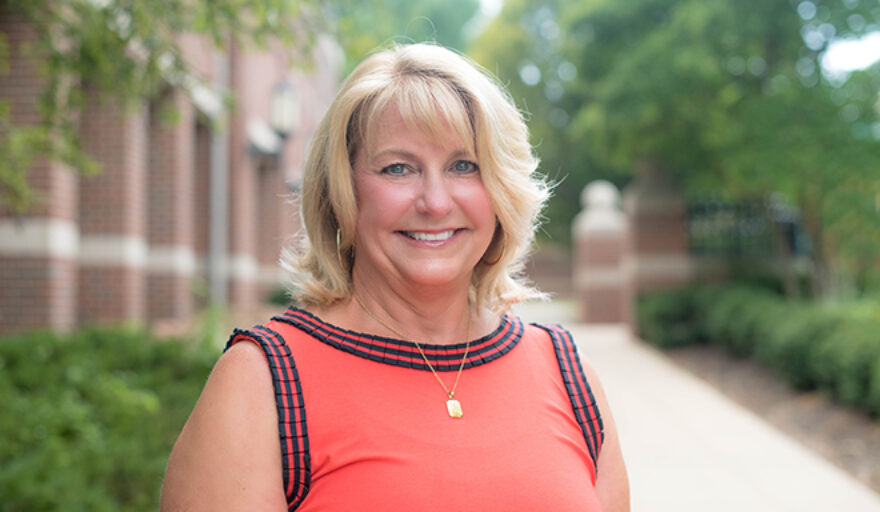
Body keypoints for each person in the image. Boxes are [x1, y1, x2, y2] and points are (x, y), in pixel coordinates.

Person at [161, 42, 629, 511]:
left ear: (501, 189)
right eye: (398, 168)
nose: (435, 202)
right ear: (343, 191)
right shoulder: (262, 381)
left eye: (464, 166)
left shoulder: (568, 374)